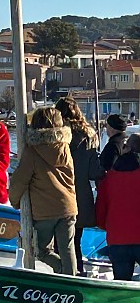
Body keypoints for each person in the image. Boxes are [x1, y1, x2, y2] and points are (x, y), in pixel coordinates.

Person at [9, 107, 78, 276]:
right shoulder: (65, 147)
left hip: (45, 211)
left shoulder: (32, 152)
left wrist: (14, 201)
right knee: (68, 249)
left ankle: (61, 269)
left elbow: (19, 181)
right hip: (68, 206)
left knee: (40, 250)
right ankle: (71, 280)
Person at [55, 96, 105, 275]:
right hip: (81, 196)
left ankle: (64, 275)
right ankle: (78, 273)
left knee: (58, 244)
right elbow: (94, 172)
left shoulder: (56, 135)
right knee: (75, 241)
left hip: (57, 194)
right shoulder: (90, 135)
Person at [96, 134, 140, 280]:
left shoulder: (110, 177)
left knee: (121, 287)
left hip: (117, 238)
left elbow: (101, 209)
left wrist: (106, 226)